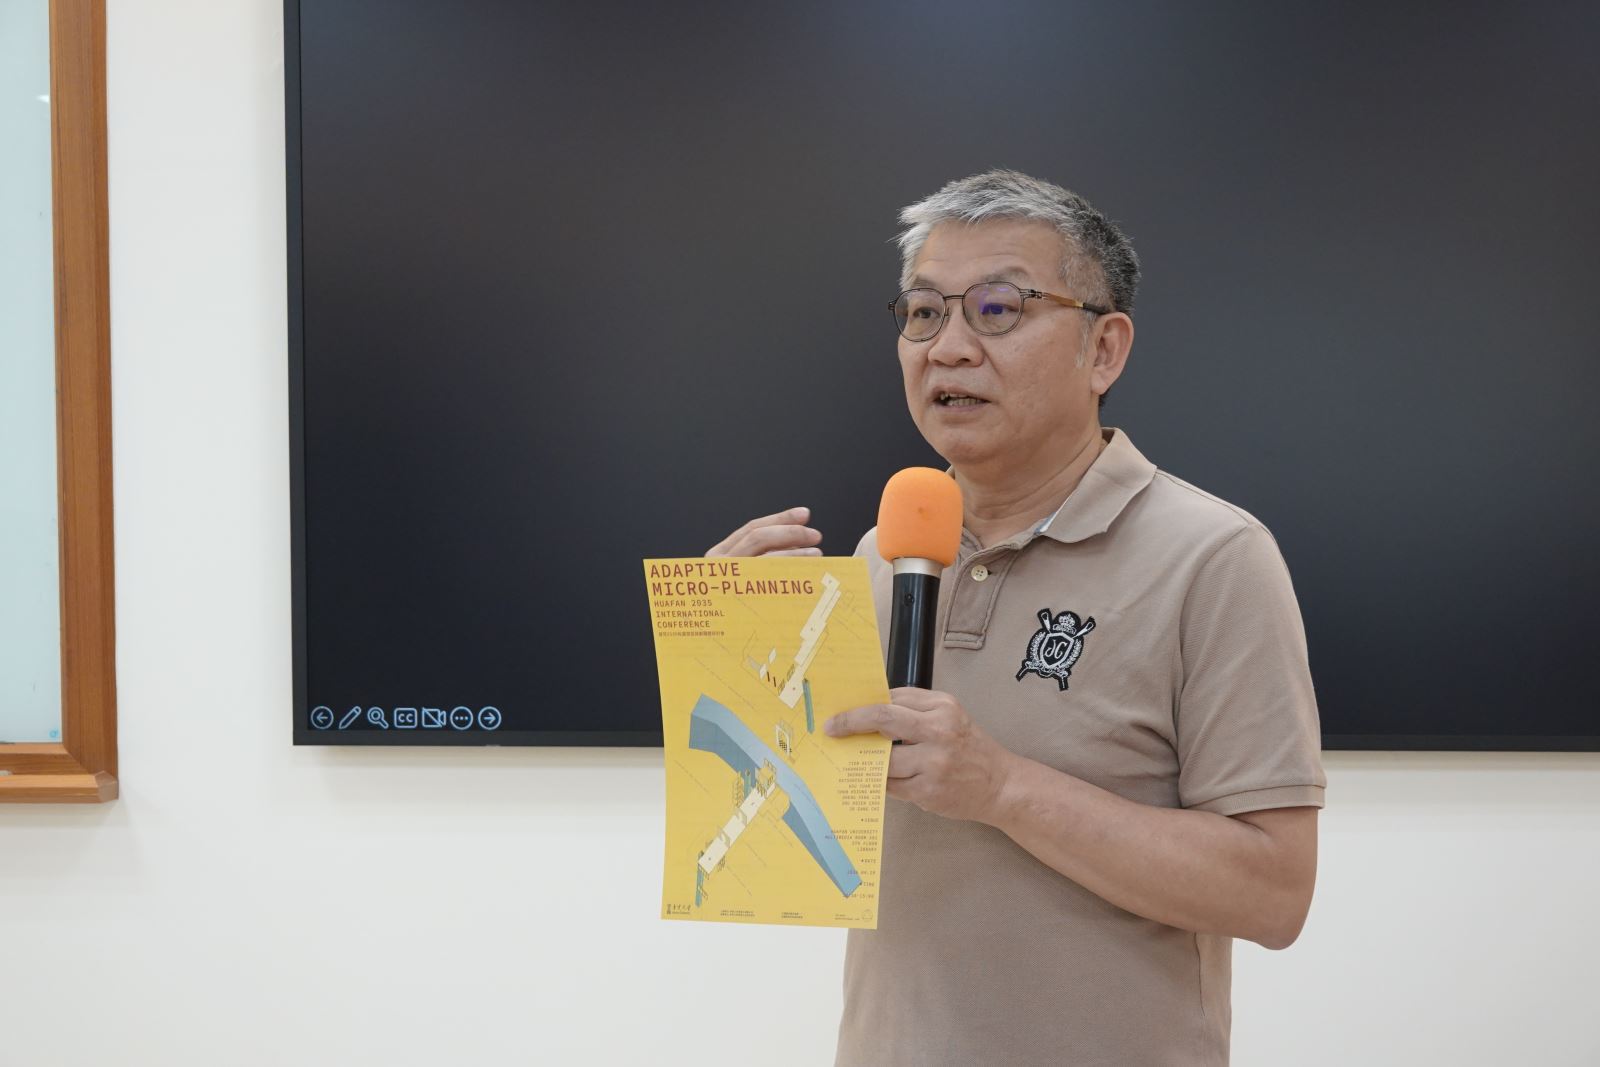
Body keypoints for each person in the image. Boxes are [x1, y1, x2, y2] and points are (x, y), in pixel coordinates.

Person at [706, 169, 1326, 1066]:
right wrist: (736, 660)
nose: (948, 348)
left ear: (1103, 349)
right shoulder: (885, 554)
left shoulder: (1214, 557)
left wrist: (1002, 788)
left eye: (997, 309)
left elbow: (1273, 895)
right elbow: (803, 838)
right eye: (924, 313)